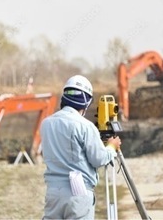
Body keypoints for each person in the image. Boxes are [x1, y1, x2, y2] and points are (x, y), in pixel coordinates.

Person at [40, 75, 121, 220]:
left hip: (53, 192)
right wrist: (111, 147)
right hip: (77, 193)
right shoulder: (85, 126)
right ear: (86, 103)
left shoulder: (46, 123)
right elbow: (99, 159)